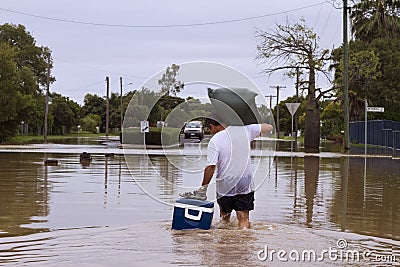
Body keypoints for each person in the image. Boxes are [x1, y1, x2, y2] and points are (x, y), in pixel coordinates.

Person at [199, 116, 273, 229]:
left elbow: (211, 167)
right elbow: (269, 127)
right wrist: (250, 122)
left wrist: (203, 188)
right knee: (243, 217)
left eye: (210, 129)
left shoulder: (215, 140)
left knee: (225, 217)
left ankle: (226, 242)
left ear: (212, 126)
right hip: (245, 180)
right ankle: (244, 237)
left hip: (225, 182)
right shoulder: (245, 130)